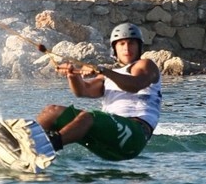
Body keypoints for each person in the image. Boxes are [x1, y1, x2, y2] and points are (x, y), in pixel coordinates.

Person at [36, 22, 161, 161]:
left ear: (139, 46)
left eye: (131, 43)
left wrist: (105, 71)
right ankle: (26, 141)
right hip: (108, 142)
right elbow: (83, 91)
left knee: (89, 116)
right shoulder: (109, 75)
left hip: (135, 135)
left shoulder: (145, 65)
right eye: (122, 44)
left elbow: (136, 85)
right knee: (51, 111)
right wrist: (73, 75)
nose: (127, 48)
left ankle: (45, 147)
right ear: (114, 48)